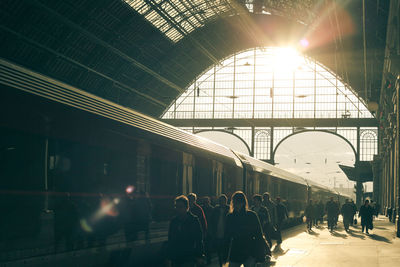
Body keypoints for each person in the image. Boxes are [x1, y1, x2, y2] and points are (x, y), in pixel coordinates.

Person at [224, 191, 270, 267]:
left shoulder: (250, 215)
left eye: (238, 202)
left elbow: (258, 235)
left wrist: (261, 252)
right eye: (235, 202)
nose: (236, 204)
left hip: (247, 252)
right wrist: (225, 253)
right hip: (240, 251)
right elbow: (227, 236)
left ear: (243, 203)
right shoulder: (249, 215)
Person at [167, 195, 204, 267]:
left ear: (187, 207)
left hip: (189, 256)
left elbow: (199, 239)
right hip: (176, 256)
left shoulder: (194, 220)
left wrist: (199, 255)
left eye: (180, 207)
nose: (178, 209)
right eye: (176, 207)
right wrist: (168, 256)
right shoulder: (174, 221)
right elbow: (170, 240)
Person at [210, 194, 229, 267]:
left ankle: (224, 262)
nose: (222, 202)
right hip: (217, 233)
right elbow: (211, 221)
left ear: (226, 201)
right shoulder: (216, 209)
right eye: (220, 201)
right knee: (219, 250)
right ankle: (221, 264)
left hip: (226, 234)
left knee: (225, 250)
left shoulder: (229, 209)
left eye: (223, 201)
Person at [200, 196, 214, 265]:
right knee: (205, 247)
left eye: (207, 202)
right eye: (205, 202)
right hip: (205, 230)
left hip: (209, 231)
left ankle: (208, 260)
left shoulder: (211, 209)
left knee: (207, 247)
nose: (206, 203)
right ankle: (206, 260)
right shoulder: (210, 209)